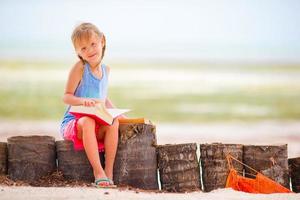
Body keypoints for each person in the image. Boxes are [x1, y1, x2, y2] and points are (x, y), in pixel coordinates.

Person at [60, 22, 121, 188]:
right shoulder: (80, 68)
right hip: (75, 122)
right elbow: (66, 97)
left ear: (102, 41)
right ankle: (98, 172)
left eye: (93, 44)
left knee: (113, 122)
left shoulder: (106, 70)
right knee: (88, 120)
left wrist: (118, 113)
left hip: (95, 119)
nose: (90, 50)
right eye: (83, 48)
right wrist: (81, 101)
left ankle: (109, 172)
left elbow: (103, 98)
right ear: (78, 52)